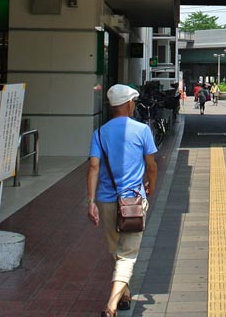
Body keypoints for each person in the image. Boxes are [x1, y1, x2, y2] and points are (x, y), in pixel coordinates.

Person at [87, 84, 158, 317]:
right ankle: (111, 305)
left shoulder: (99, 133)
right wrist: (151, 185)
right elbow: (151, 166)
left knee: (115, 249)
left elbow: (93, 167)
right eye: (133, 102)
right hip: (133, 202)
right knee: (127, 253)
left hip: (106, 201)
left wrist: (91, 201)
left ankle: (125, 294)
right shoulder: (142, 130)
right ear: (128, 104)